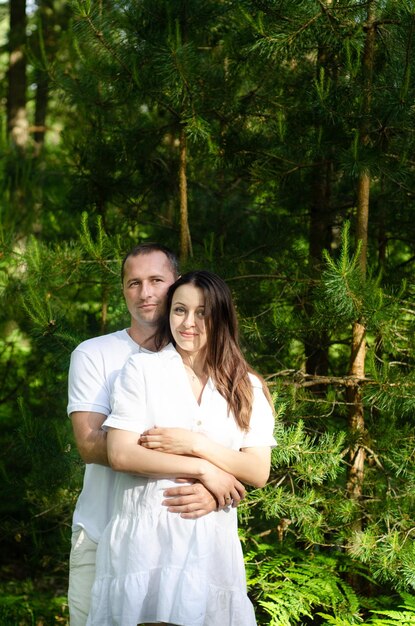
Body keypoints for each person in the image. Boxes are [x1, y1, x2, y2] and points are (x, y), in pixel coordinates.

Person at [67, 245, 246, 626]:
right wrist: (201, 467)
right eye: (134, 283)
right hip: (101, 530)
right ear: (123, 291)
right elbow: (90, 445)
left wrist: (214, 487)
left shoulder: (201, 355)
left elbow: (239, 455)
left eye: (156, 281)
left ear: (176, 285)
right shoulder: (95, 353)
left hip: (180, 538)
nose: (145, 292)